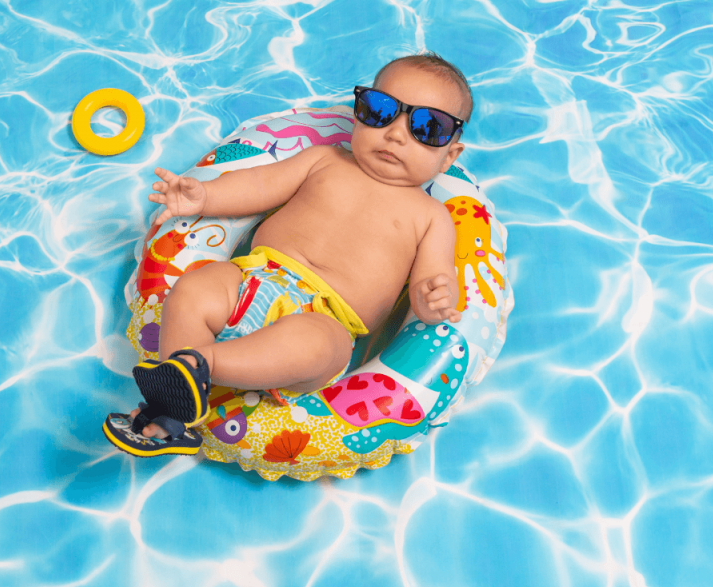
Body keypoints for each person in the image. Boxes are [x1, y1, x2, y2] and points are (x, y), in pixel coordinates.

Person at [103, 52, 473, 457]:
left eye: (428, 127)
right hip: (251, 281)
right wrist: (204, 196)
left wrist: (432, 300)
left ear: (449, 156)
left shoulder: (431, 217)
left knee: (316, 345)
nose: (396, 134)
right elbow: (260, 186)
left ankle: (197, 366)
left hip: (327, 318)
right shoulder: (324, 160)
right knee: (194, 289)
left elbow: (433, 280)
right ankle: (173, 411)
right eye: (381, 110)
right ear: (359, 113)